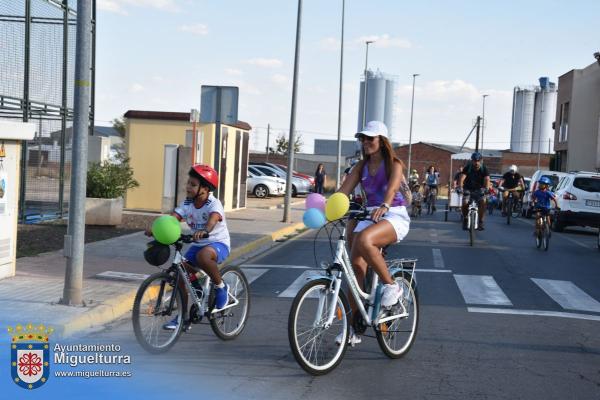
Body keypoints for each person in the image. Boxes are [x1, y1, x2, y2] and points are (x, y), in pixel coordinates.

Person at [337, 120, 411, 346]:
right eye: (363, 138)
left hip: (393, 214)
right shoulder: (361, 166)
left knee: (365, 239)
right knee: (354, 271)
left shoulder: (394, 164)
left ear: (382, 141)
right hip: (370, 215)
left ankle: (391, 285)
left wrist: (386, 205)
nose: (366, 142)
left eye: (371, 138)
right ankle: (353, 328)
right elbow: (342, 192)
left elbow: (390, 190)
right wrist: (326, 208)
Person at [146, 164, 231, 330]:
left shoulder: (213, 204)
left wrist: (205, 230)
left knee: (203, 257)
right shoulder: (187, 203)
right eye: (188, 183)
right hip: (197, 244)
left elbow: (213, 220)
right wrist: (155, 228)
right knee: (180, 272)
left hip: (217, 243)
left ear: (205, 189)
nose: (188, 187)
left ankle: (221, 287)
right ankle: (183, 317)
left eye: (193, 184)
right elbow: (172, 219)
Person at [457, 152, 490, 231]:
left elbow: (487, 179)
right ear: (472, 161)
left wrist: (486, 189)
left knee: (483, 201)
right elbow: (462, 178)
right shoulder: (468, 168)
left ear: (481, 161)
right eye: (475, 160)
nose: (476, 162)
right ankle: (465, 219)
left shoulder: (484, 168)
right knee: (465, 202)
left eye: (478, 161)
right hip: (468, 188)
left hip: (480, 189)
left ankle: (481, 221)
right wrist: (460, 187)